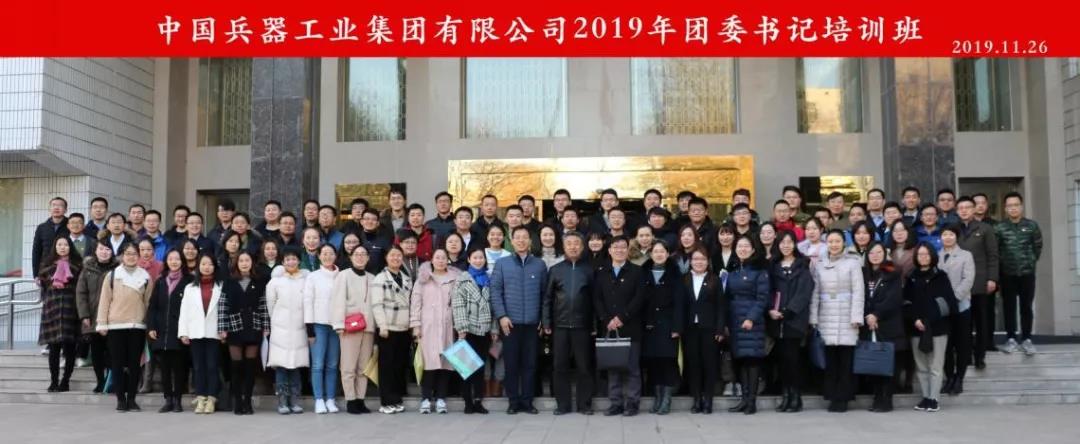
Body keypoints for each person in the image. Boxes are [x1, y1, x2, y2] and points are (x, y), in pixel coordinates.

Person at [491, 226, 548, 415]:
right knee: (511, 364)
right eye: (518, 238)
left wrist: (542, 319)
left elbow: (545, 295)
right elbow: (495, 292)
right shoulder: (502, 263)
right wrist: (502, 316)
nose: (521, 241)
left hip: (532, 323)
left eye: (525, 237)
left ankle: (528, 401)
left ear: (530, 241)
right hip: (510, 324)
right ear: (512, 241)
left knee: (530, 365)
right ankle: (513, 401)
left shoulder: (539, 265)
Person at [810, 229, 865, 413]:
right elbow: (815, 293)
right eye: (831, 241)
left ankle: (843, 398)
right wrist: (813, 318)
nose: (834, 245)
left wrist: (856, 316)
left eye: (837, 241)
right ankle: (832, 396)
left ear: (843, 243)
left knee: (845, 361)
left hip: (847, 316)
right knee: (830, 361)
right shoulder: (819, 264)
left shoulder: (853, 262)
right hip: (826, 315)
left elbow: (858, 291)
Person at [96, 242, 154, 412]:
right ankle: (121, 399)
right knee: (117, 364)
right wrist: (101, 323)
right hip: (116, 325)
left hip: (137, 325)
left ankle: (132, 399)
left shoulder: (145, 277)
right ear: (122, 256)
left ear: (139, 256)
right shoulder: (112, 275)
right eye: (127, 253)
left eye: (134, 254)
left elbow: (148, 303)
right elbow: (104, 300)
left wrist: (149, 325)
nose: (131, 257)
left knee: (135, 364)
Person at [542, 232, 595, 415]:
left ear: (582, 247)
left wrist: (594, 325)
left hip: (582, 326)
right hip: (560, 326)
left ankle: (584, 405)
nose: (573, 246)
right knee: (560, 367)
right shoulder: (555, 270)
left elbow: (595, 300)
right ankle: (562, 405)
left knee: (584, 366)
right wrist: (546, 322)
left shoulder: (589, 270)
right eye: (569, 243)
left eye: (576, 243)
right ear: (563, 247)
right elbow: (547, 299)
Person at [593, 235, 646, 416]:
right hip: (609, 327)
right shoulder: (601, 272)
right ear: (609, 251)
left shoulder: (637, 271)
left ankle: (632, 403)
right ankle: (615, 403)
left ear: (628, 250)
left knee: (632, 368)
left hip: (631, 326)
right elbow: (597, 299)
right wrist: (606, 319)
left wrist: (622, 317)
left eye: (623, 247)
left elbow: (639, 298)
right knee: (613, 367)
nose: (619, 250)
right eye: (615, 247)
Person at [905, 243, 959, 413]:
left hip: (938, 328)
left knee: (935, 366)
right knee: (921, 366)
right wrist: (915, 319)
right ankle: (925, 397)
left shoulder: (941, 276)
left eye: (926, 254)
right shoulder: (911, 277)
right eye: (920, 254)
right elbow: (906, 302)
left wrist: (929, 319)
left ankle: (934, 398)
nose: (923, 257)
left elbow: (948, 303)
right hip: (916, 328)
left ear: (932, 256)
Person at [410, 249, 461, 414]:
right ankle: (425, 399)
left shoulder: (455, 279)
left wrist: (461, 327)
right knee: (429, 364)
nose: (440, 260)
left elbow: (460, 304)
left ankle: (441, 398)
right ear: (431, 260)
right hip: (428, 327)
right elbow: (416, 304)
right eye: (437, 257)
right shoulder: (423, 279)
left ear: (448, 260)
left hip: (448, 326)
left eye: (443, 258)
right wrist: (416, 325)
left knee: (446, 364)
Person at [177, 254, 230, 414]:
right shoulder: (190, 287)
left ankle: (212, 398)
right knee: (198, 367)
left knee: (212, 366)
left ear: (215, 266)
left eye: (210, 264)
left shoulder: (221, 285)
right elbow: (184, 311)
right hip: (195, 332)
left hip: (214, 332)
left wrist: (225, 330)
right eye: (203, 264)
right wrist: (183, 332)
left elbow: (225, 310)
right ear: (198, 266)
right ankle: (201, 397)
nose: (207, 267)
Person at [219, 251, 269, 415]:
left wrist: (266, 326)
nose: (244, 263)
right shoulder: (229, 282)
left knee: (250, 367)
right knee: (236, 366)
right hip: (234, 327)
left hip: (253, 326)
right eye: (241, 261)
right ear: (236, 263)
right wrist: (222, 328)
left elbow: (263, 306)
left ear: (252, 263)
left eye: (247, 260)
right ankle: (238, 402)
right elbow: (223, 306)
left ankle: (247, 401)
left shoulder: (259, 282)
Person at [768, 231, 813, 412]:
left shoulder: (802, 265)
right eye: (782, 242)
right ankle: (785, 396)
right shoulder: (773, 266)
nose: (786, 245)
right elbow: (768, 290)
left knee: (793, 360)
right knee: (782, 361)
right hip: (776, 320)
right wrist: (770, 309)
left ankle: (796, 397)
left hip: (794, 320)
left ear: (795, 244)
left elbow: (805, 292)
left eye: (789, 242)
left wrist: (789, 311)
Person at [725, 236, 769, 415]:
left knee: (752, 361)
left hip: (752, 323)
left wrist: (751, 318)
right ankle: (744, 400)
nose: (742, 249)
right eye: (739, 246)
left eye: (746, 246)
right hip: (735, 321)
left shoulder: (759, 272)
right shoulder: (733, 271)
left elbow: (763, 298)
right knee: (741, 361)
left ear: (753, 250)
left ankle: (751, 401)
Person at [331, 245, 377, 414]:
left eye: (363, 254)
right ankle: (351, 399)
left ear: (368, 258)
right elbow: (338, 301)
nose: (360, 257)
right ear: (350, 257)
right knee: (348, 366)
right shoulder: (343, 276)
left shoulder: (373, 278)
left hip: (368, 327)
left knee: (363, 366)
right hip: (350, 326)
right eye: (356, 254)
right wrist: (339, 324)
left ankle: (360, 399)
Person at [995, 192, 1043, 355]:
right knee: (1009, 307)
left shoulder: (1031, 226)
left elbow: (1038, 247)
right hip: (1007, 274)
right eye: (1010, 205)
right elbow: (996, 250)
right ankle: (1011, 338)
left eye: (1016, 205)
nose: (1013, 208)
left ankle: (1027, 339)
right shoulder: (999, 227)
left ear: (1021, 207)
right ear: (1005, 208)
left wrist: (1029, 262)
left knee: (1026, 306)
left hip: (1027, 273)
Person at [452, 248, 497, 415]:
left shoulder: (488, 279)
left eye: (481, 258)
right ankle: (467, 402)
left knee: (480, 368)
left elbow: (493, 307)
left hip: (484, 329)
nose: (478, 260)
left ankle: (478, 400)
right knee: (467, 368)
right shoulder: (462, 279)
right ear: (469, 260)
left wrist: (494, 328)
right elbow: (458, 305)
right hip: (468, 330)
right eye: (475, 257)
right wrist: (462, 328)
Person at [266, 248, 310, 415]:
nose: (291, 262)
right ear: (283, 262)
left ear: (299, 261)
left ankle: (295, 400)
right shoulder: (275, 282)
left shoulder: (305, 281)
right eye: (287, 259)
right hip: (280, 329)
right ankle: (283, 400)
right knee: (282, 366)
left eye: (294, 259)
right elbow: (270, 305)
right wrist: (277, 321)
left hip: (300, 328)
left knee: (296, 366)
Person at [956, 196, 999, 369]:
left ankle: (980, 356)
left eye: (967, 207)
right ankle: (966, 356)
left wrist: (992, 278)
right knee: (964, 324)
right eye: (961, 208)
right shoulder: (953, 229)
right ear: (957, 211)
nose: (964, 210)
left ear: (974, 209)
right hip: (960, 285)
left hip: (980, 283)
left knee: (981, 322)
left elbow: (993, 255)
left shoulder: (985, 229)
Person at [861, 242, 904, 412]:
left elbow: (894, 298)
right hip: (869, 325)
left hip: (887, 324)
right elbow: (860, 296)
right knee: (874, 363)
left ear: (885, 254)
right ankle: (877, 398)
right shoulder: (863, 273)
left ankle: (886, 400)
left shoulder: (892, 272)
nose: (875, 256)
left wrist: (876, 314)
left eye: (879, 252)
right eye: (871, 253)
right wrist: (868, 315)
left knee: (887, 363)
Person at [147, 249, 191, 413]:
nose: (174, 262)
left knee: (179, 368)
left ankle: (178, 400)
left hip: (179, 332)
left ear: (182, 261)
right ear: (166, 261)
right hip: (161, 332)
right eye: (171, 259)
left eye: (177, 259)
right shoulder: (160, 281)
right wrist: (151, 326)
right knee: (164, 369)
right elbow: (152, 306)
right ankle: (168, 399)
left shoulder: (189, 281)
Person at [681, 246, 724, 414]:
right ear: (691, 262)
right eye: (696, 259)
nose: (699, 262)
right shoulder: (684, 279)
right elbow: (681, 306)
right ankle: (697, 400)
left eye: (702, 259)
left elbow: (721, 307)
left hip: (710, 328)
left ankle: (708, 400)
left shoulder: (715, 280)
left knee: (709, 365)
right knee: (694, 365)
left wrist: (720, 329)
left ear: (708, 262)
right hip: (690, 328)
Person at [371, 246, 413, 414]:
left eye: (398, 255)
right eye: (392, 255)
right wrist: (382, 325)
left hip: (404, 328)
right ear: (386, 258)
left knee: (399, 366)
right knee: (386, 367)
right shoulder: (380, 278)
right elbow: (377, 305)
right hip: (387, 328)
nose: (396, 258)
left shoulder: (407, 278)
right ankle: (386, 401)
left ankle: (396, 399)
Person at [37, 236, 82, 393]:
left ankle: (65, 381)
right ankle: (53, 381)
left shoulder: (78, 266)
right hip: (52, 309)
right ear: (55, 247)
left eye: (66, 244)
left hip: (71, 309)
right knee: (54, 349)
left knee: (70, 349)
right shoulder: (46, 266)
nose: (62, 247)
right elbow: (43, 286)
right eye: (59, 245)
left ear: (70, 247)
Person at [304, 244, 341, 414]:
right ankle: (319, 399)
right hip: (318, 325)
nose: (327, 256)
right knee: (318, 364)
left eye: (330, 253)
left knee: (332, 364)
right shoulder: (313, 277)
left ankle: (330, 399)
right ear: (319, 256)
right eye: (324, 253)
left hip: (337, 326)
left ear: (335, 255)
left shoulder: (341, 276)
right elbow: (307, 302)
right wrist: (309, 329)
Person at [938, 225, 975, 395]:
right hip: (942, 308)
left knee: (961, 344)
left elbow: (968, 279)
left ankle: (959, 378)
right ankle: (949, 377)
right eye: (945, 234)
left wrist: (954, 298)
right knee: (946, 345)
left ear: (956, 236)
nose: (948, 237)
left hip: (961, 306)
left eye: (951, 234)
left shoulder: (966, 255)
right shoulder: (936, 255)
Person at [76, 242, 115, 393]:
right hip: (93, 317)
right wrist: (84, 315)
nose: (104, 252)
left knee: (111, 352)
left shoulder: (117, 269)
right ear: (95, 251)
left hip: (112, 318)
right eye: (101, 249)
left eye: (107, 249)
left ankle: (111, 381)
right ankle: (100, 381)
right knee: (97, 353)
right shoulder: (87, 270)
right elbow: (81, 293)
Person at [358, 208, 392, 273]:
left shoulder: (385, 240)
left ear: (378, 223)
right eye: (367, 219)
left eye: (373, 219)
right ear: (361, 222)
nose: (370, 222)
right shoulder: (355, 238)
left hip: (378, 277)